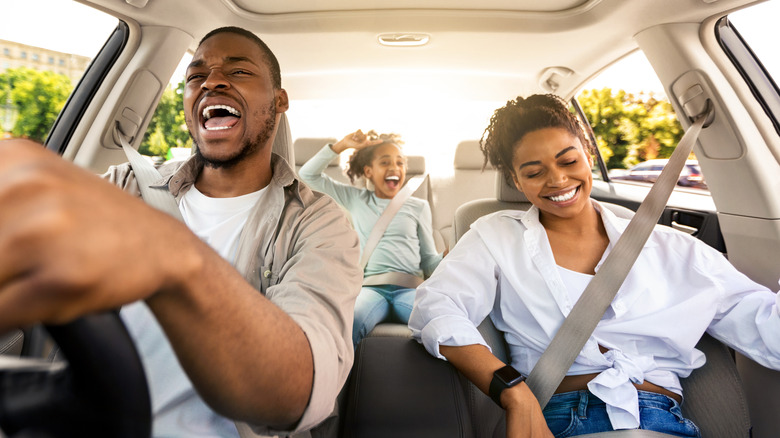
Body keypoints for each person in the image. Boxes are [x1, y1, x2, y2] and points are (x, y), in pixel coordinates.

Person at [0, 27, 362, 437]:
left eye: (239, 71)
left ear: (279, 101)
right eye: (195, 76)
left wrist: (175, 259)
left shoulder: (318, 224)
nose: (212, 81)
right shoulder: (126, 186)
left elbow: (297, 392)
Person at [408, 94, 780, 437]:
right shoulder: (496, 236)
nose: (557, 180)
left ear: (587, 152)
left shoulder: (674, 248)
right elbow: (436, 308)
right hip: (559, 417)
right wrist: (513, 392)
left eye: (568, 160)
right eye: (534, 172)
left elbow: (765, 326)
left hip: (663, 420)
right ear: (515, 178)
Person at [299, 131, 443, 346]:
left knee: (439, 321)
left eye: (400, 163)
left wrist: (447, 259)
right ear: (369, 171)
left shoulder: (418, 207)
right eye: (385, 162)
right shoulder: (356, 199)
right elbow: (308, 175)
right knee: (350, 321)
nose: (394, 168)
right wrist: (342, 146)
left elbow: (429, 260)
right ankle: (339, 379)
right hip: (371, 290)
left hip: (409, 290)